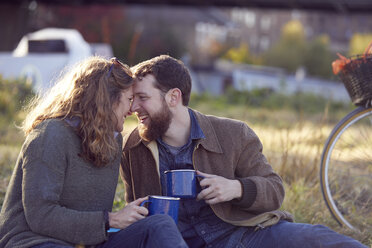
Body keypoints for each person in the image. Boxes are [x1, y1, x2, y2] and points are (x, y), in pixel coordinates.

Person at [120, 54, 368, 248]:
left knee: (316, 238)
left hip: (241, 237)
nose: (134, 108)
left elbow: (274, 191)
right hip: (175, 244)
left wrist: (236, 188)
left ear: (173, 97)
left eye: (142, 98)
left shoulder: (234, 134)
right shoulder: (133, 147)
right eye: (132, 99)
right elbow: (137, 217)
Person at [0, 56, 187, 248]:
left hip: (88, 243)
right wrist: (110, 220)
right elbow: (41, 216)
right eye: (129, 99)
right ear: (107, 101)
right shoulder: (51, 135)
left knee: (159, 226)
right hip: (34, 241)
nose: (132, 109)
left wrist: (121, 220)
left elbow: (96, 216)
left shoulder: (113, 139)